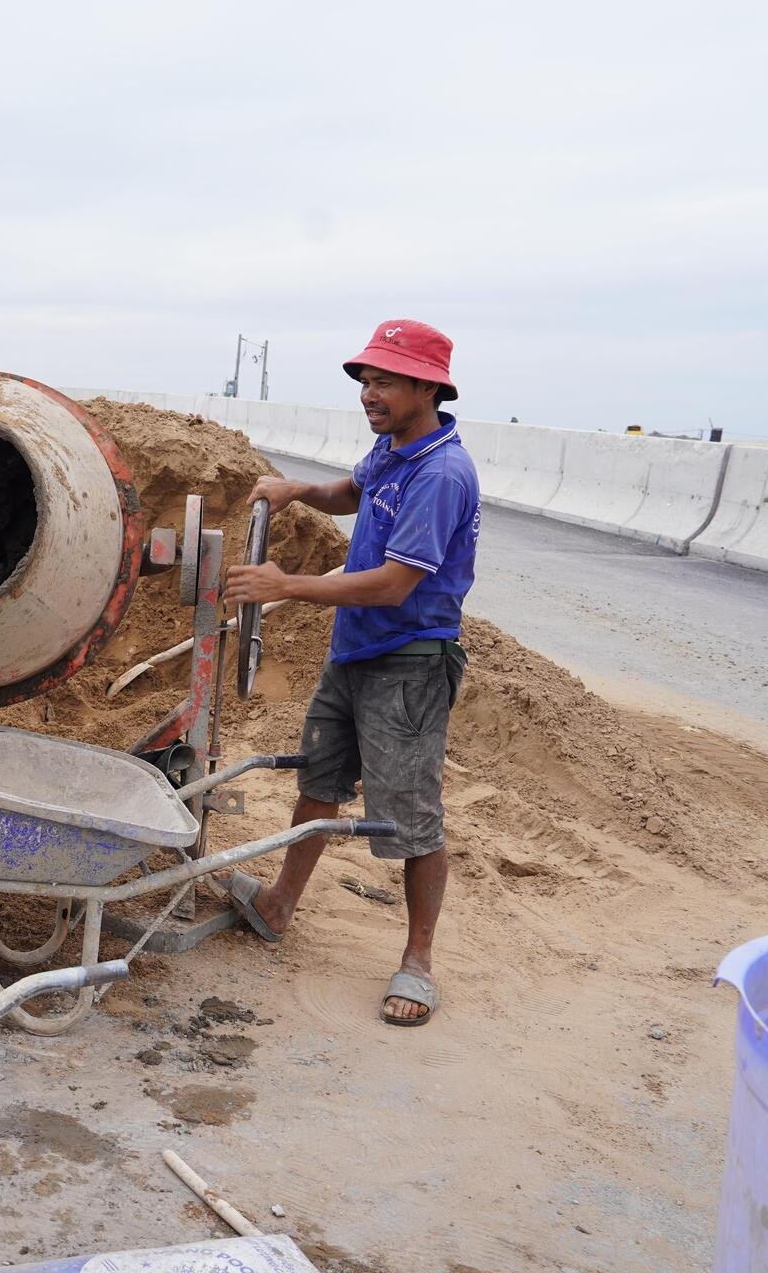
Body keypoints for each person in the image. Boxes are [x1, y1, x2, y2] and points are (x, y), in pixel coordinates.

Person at [220, 319, 480, 1026]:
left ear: (428, 387)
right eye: (366, 378)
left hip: (409, 664)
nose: (370, 390)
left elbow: (396, 584)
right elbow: (353, 494)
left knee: (411, 820)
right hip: (355, 652)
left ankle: (418, 962)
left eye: (386, 380)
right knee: (321, 781)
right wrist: (299, 489)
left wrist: (287, 586)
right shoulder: (393, 449)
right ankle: (278, 903)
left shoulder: (441, 474)